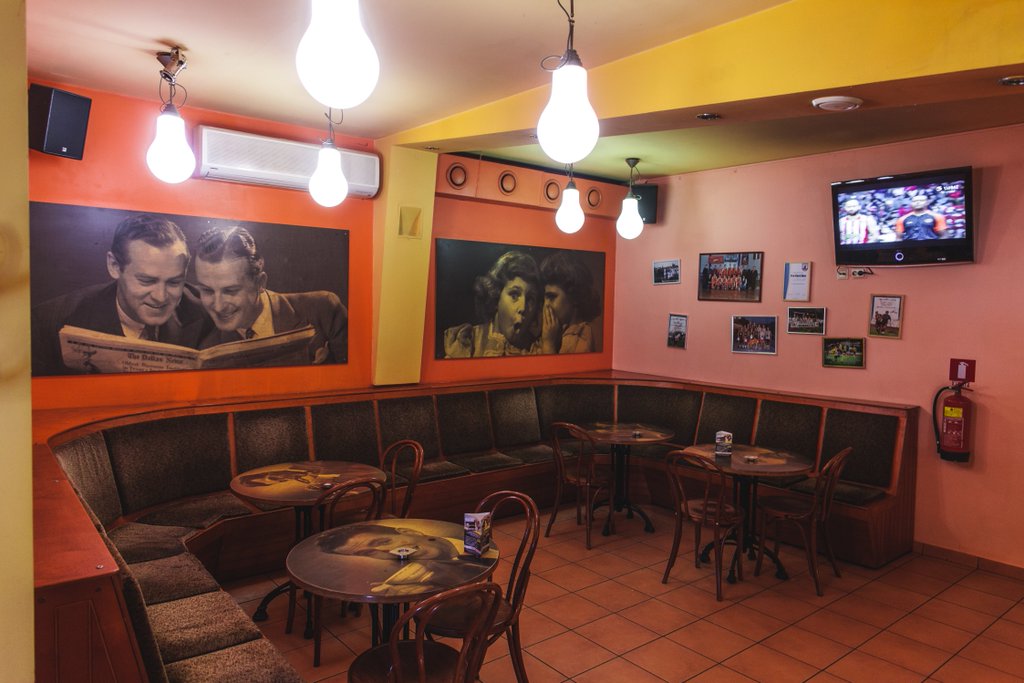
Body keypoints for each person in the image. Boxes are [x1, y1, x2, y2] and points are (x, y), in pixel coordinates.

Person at [31, 213, 210, 375]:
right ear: (114, 266)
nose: (160, 297)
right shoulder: (48, 323)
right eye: (146, 281)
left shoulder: (207, 312)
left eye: (174, 282)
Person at [192, 226, 347, 364]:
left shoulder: (323, 310)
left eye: (230, 291)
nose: (218, 307)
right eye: (207, 290)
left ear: (260, 283)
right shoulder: (207, 351)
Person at [443, 251, 542, 358]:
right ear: (496, 297)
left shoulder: (537, 349)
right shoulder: (468, 341)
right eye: (514, 295)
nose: (522, 308)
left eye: (530, 299)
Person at [539, 251, 601, 354]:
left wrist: (548, 344)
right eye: (544, 298)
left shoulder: (576, 337)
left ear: (574, 297)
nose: (546, 304)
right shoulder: (565, 333)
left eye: (552, 297)